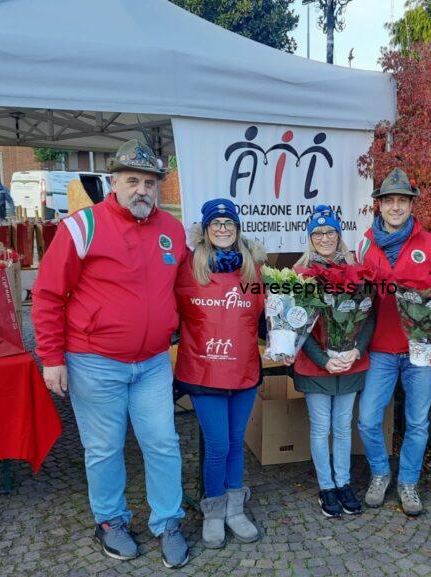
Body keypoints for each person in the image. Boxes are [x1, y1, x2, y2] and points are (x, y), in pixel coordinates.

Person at [32, 139, 190, 568]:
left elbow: (187, 285)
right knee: (103, 449)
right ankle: (110, 521)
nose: (142, 190)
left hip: (154, 362)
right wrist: (51, 358)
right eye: (132, 181)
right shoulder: (81, 227)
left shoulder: (172, 230)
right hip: (94, 360)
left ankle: (168, 521)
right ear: (113, 183)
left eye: (150, 182)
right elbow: (47, 295)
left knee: (162, 442)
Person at [354, 168, 431, 516]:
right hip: (381, 349)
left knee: (417, 422)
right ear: (379, 206)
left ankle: (408, 482)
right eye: (389, 201)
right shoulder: (365, 245)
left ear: (411, 205)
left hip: (421, 350)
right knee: (369, 420)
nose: (395, 207)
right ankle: (381, 474)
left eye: (402, 201)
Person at [173, 199, 265, 550]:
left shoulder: (252, 268)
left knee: (236, 442)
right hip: (204, 369)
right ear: (206, 228)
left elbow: (264, 316)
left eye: (229, 223)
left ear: (238, 228)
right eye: (217, 223)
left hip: (242, 368)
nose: (223, 228)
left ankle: (234, 509)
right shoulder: (189, 264)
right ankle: (213, 511)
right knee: (217, 444)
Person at [293, 205, 374, 518]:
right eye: (318, 232)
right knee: (320, 426)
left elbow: (370, 315)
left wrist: (357, 350)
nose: (324, 237)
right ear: (310, 238)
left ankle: (343, 482)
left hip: (350, 363)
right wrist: (323, 359)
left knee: (342, 427)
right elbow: (295, 324)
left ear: (339, 235)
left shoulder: (357, 272)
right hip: (317, 366)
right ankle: (326, 486)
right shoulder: (300, 276)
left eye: (330, 232)